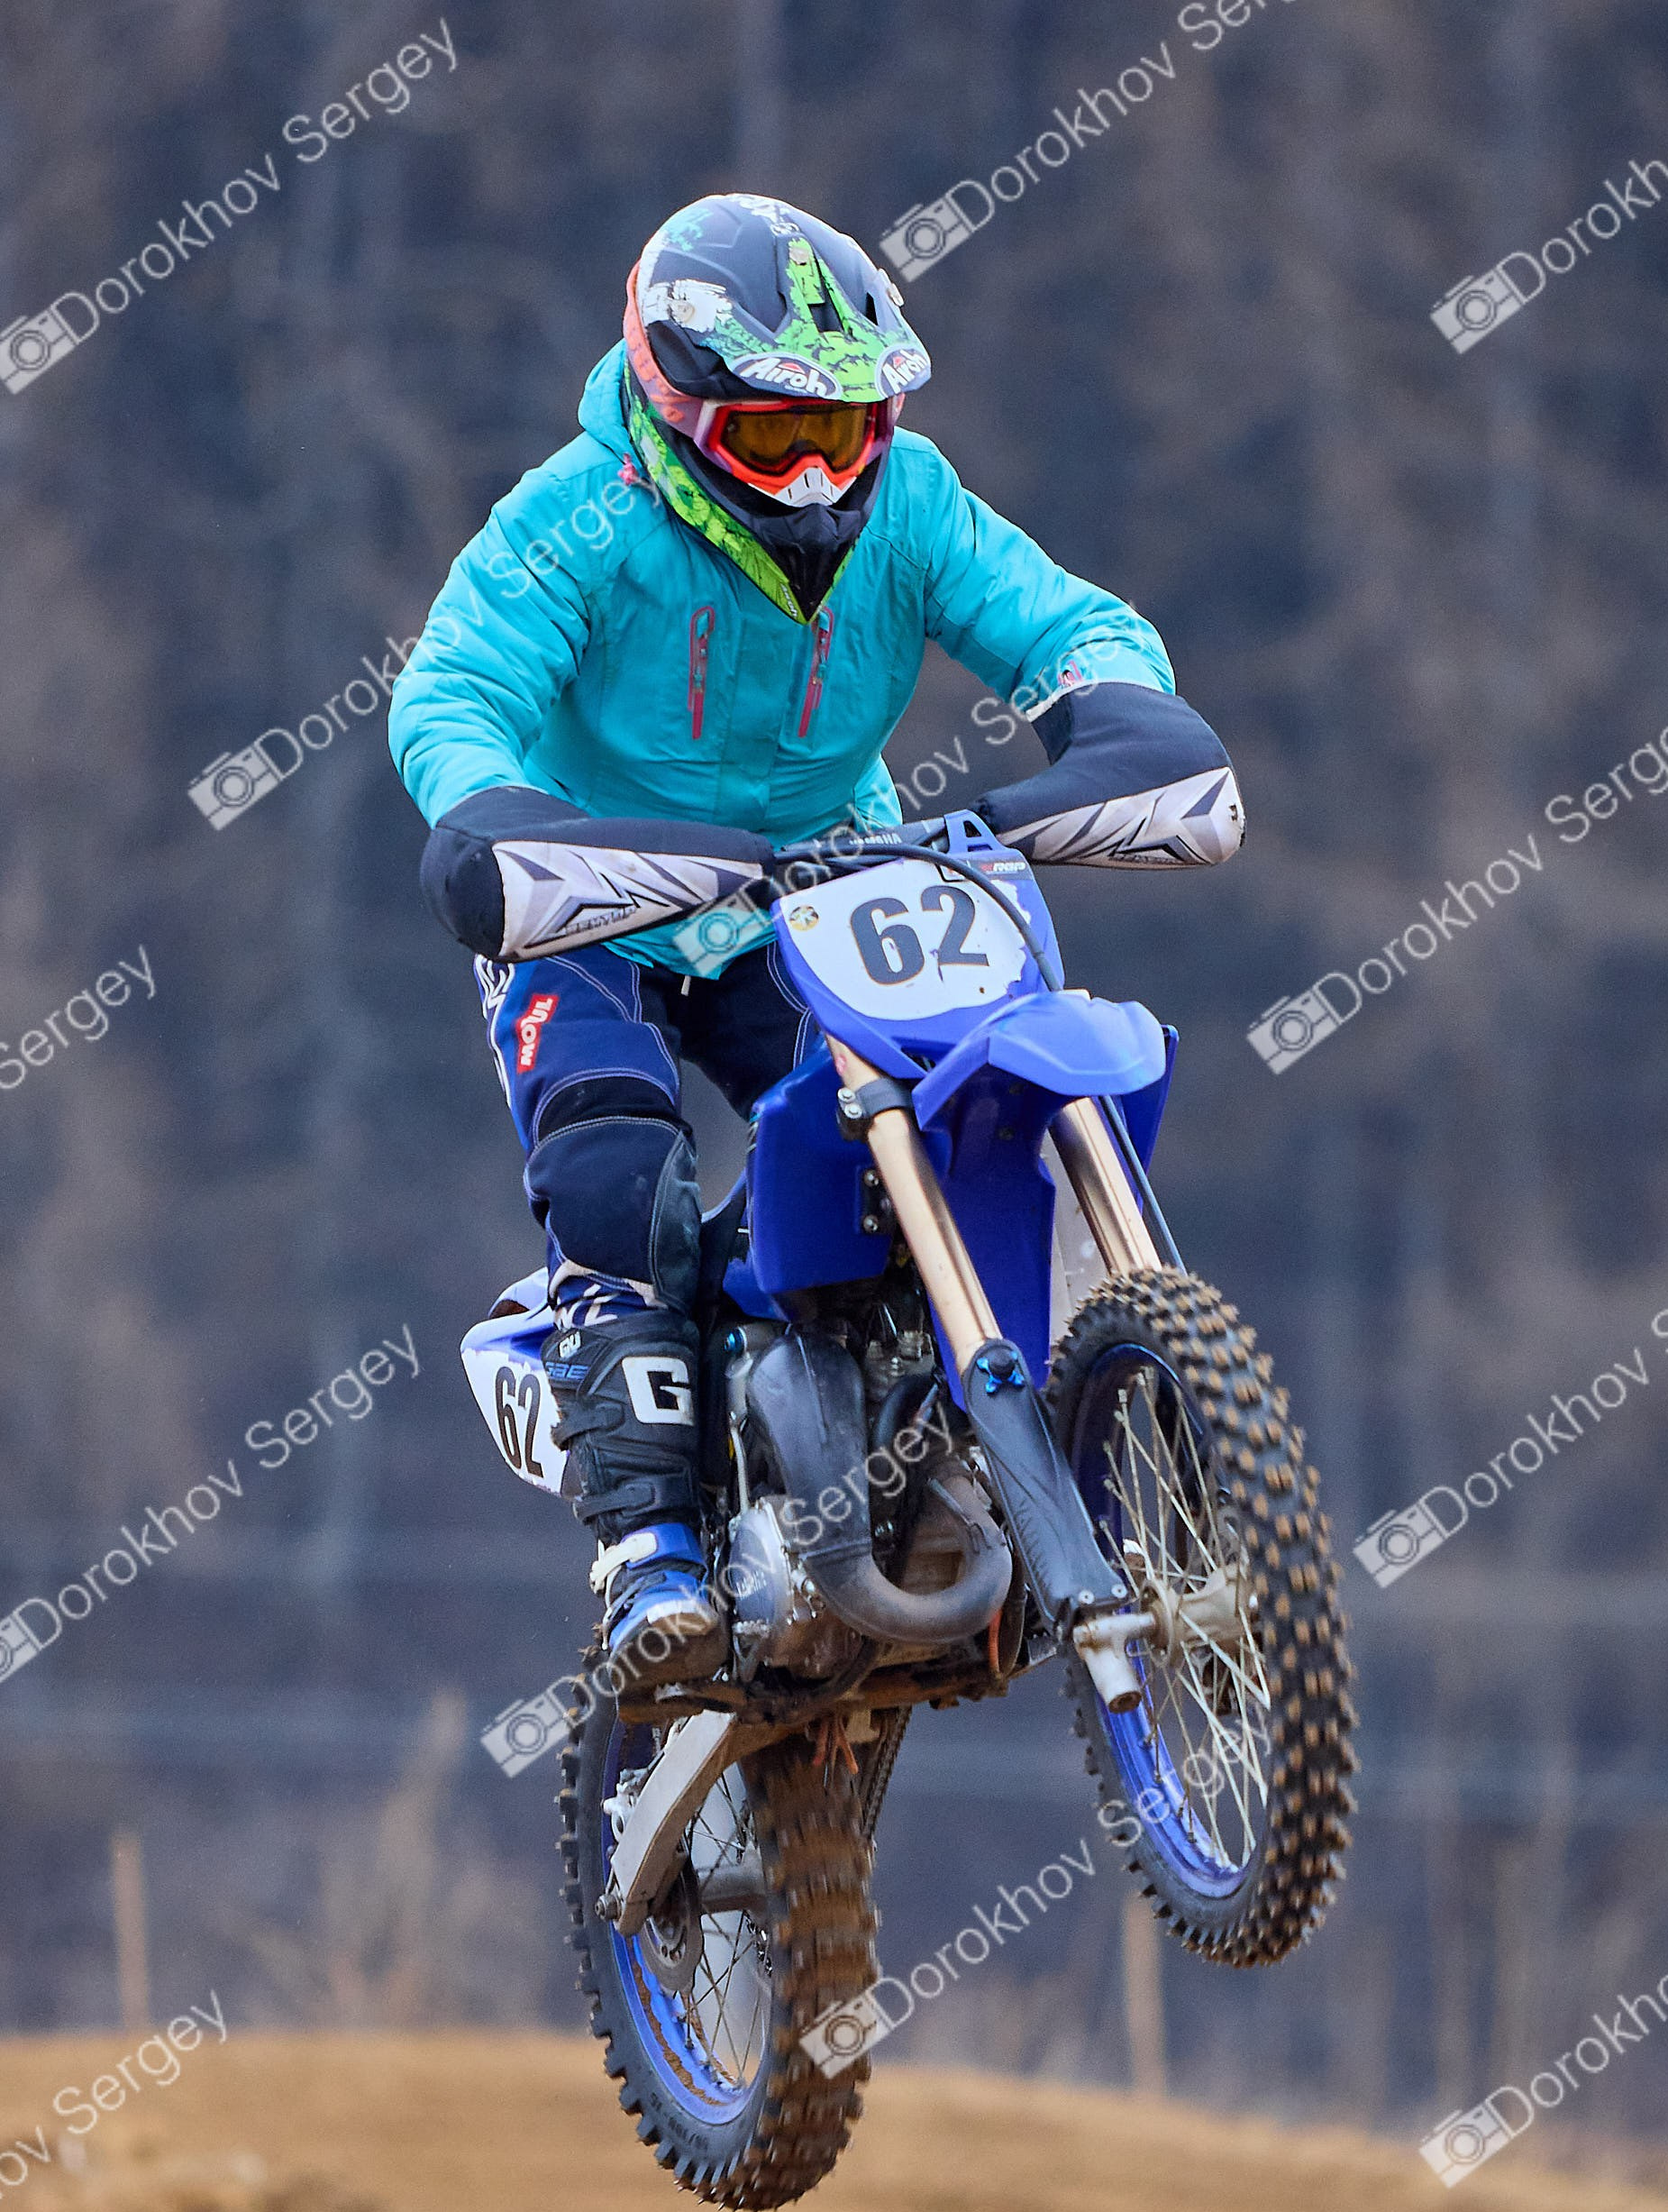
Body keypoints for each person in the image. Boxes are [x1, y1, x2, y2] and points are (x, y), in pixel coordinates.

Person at [389, 191, 1244, 1688]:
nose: (817, 474)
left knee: (933, 1103)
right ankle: (649, 1547)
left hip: (818, 884)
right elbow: (452, 689)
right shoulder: (577, 518)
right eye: (778, 435)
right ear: (677, 413)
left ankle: (950, 1438)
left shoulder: (911, 505)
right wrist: (492, 809)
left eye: (843, 431)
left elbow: (1064, 619)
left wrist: (1115, 704)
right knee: (613, 1157)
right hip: (595, 893)